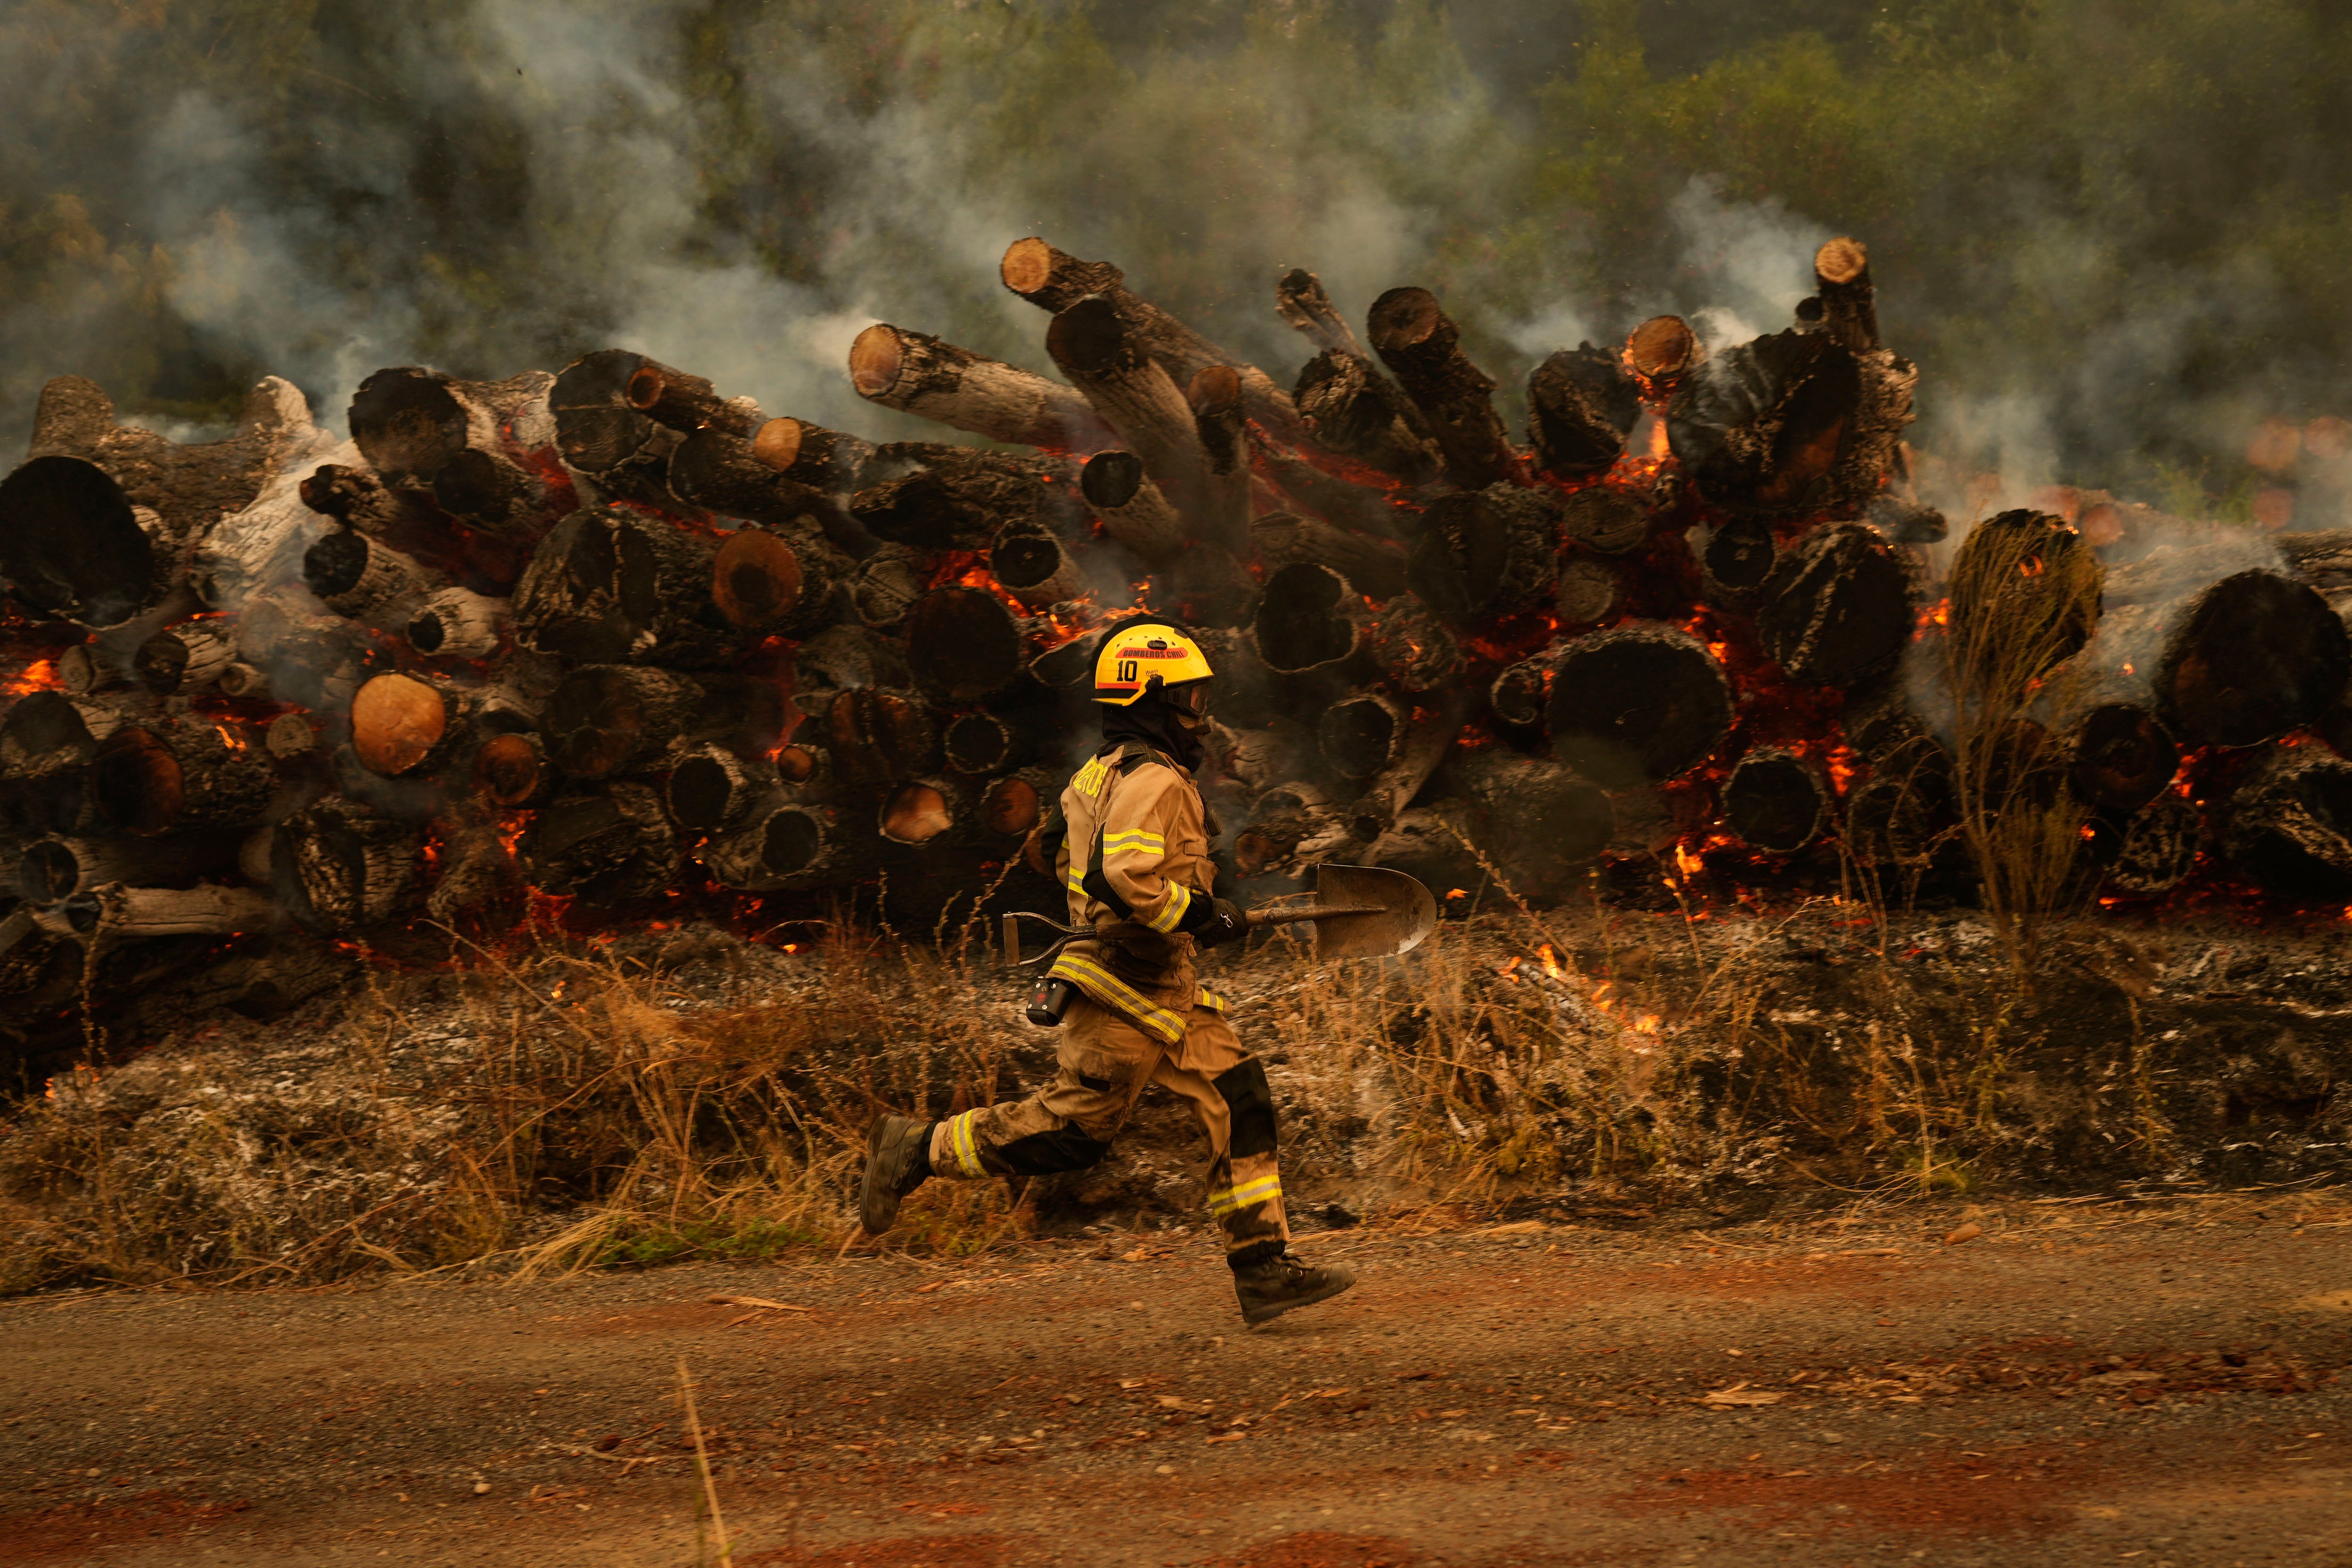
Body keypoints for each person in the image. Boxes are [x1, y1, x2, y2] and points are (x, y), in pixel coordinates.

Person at [857, 620, 1355, 1326]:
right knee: (1071, 1134)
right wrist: (1200, 914)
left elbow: (1053, 853)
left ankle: (1263, 1268)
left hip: (1165, 987)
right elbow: (1124, 878)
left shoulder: (1101, 773)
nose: (1199, 715)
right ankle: (916, 1148)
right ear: (1152, 697)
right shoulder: (1153, 779)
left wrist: (1169, 912)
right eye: (1190, 698)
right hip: (1125, 989)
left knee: (1238, 1096)